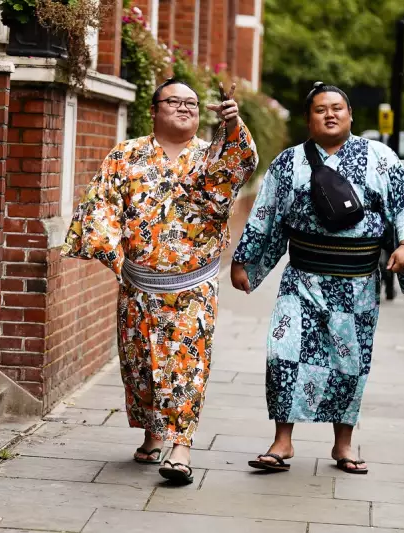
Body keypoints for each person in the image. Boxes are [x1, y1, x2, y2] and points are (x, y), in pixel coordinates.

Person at [61, 78, 258, 484]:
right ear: (153, 110)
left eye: (192, 103)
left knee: (187, 364)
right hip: (138, 282)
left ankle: (180, 447)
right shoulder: (126, 156)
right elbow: (100, 210)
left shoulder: (211, 155)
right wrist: (116, 259)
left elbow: (241, 164)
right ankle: (154, 434)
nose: (185, 107)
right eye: (174, 100)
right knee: (141, 364)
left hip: (193, 286)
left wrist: (234, 126)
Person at [230, 82, 404, 474]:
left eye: (337, 108)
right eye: (320, 109)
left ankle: (343, 444)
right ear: (308, 118)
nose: (330, 114)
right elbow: (266, 214)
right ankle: (282, 442)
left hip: (356, 284)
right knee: (283, 354)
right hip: (300, 278)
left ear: (351, 115)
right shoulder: (288, 163)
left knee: (349, 363)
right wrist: (245, 261)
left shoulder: (380, 158)